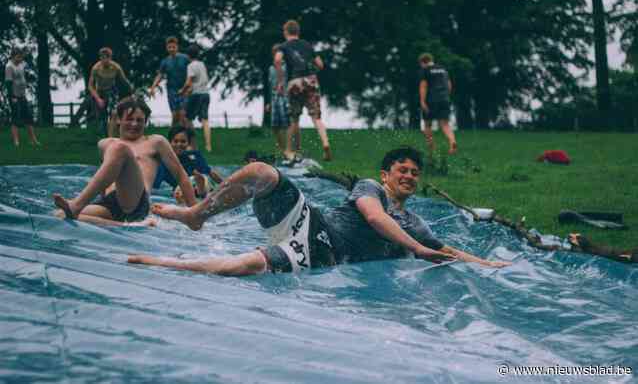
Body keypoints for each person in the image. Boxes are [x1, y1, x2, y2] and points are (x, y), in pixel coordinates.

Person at [128, 147, 511, 276]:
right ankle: (198, 212)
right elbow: (375, 217)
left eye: (414, 173)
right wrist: (420, 250)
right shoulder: (370, 187)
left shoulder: (415, 223)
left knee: (244, 267)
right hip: (312, 224)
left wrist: (486, 264)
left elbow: (447, 250)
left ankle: (166, 264)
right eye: (402, 171)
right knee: (262, 172)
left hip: (323, 255)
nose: (409, 176)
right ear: (386, 175)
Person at [53, 97, 197, 227]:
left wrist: (194, 214)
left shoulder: (155, 142)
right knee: (59, 215)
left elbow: (181, 176)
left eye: (139, 120)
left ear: (145, 122)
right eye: (129, 119)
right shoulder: (105, 144)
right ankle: (123, 225)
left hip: (136, 202)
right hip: (109, 203)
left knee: (120, 148)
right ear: (118, 119)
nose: (134, 124)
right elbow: (105, 178)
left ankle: (76, 205)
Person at [274, 20, 332, 161]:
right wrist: (312, 72)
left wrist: (281, 81)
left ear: (286, 31)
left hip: (295, 82)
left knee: (294, 118)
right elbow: (320, 64)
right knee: (316, 117)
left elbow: (277, 60)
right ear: (298, 32)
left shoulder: (284, 46)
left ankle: (290, 150)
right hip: (311, 80)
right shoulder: (307, 45)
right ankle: (325, 143)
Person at [153, 125, 223, 202]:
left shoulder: (195, 156)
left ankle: (200, 189)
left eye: (183, 141)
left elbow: (211, 173)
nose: (179, 144)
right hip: (179, 191)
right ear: (170, 143)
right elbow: (155, 187)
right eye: (175, 141)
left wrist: (225, 185)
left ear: (188, 143)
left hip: (201, 185)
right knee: (180, 191)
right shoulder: (164, 163)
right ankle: (196, 190)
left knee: (203, 180)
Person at [88, 47, 134, 137]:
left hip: (112, 91)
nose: (105, 60)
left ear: (110, 58)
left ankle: (114, 135)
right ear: (100, 58)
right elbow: (90, 86)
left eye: (107, 58)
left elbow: (124, 81)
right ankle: (104, 136)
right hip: (100, 92)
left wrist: (132, 92)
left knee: (114, 113)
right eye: (102, 58)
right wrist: (98, 99)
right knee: (102, 117)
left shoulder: (116, 67)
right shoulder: (96, 68)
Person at [418, 53, 457, 157]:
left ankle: (432, 149)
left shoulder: (425, 70)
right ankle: (452, 142)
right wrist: (446, 97)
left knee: (427, 125)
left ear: (423, 62)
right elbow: (449, 85)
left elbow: (423, 86)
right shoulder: (443, 69)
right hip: (444, 99)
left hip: (431, 100)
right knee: (445, 124)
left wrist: (422, 101)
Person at [149, 37, 189, 127]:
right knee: (175, 115)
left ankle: (187, 136)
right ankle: (173, 136)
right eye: (169, 47)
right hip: (172, 90)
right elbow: (160, 75)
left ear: (177, 47)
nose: (171, 49)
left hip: (184, 89)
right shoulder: (165, 62)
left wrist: (189, 87)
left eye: (173, 47)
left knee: (183, 114)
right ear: (167, 48)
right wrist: (153, 87)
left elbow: (191, 73)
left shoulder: (185, 58)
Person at [4, 48, 40, 147]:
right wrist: (12, 97)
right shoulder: (9, 67)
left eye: (21, 57)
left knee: (29, 117)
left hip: (22, 95)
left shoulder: (21, 63)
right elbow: (8, 83)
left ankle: (33, 140)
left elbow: (28, 70)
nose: (20, 59)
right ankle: (16, 142)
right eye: (19, 57)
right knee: (16, 118)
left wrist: (30, 75)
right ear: (13, 56)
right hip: (14, 96)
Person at [179, 44, 212, 152]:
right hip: (206, 94)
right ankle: (208, 146)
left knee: (187, 118)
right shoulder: (202, 64)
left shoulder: (191, 66)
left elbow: (189, 82)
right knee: (205, 120)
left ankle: (192, 144)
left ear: (188, 56)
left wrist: (182, 91)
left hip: (196, 94)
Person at [267, 44, 293, 159]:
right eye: (274, 53)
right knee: (274, 126)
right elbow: (269, 86)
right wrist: (269, 102)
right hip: (274, 98)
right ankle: (282, 150)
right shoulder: (271, 68)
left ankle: (288, 150)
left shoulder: (287, 67)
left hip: (285, 97)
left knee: (286, 124)